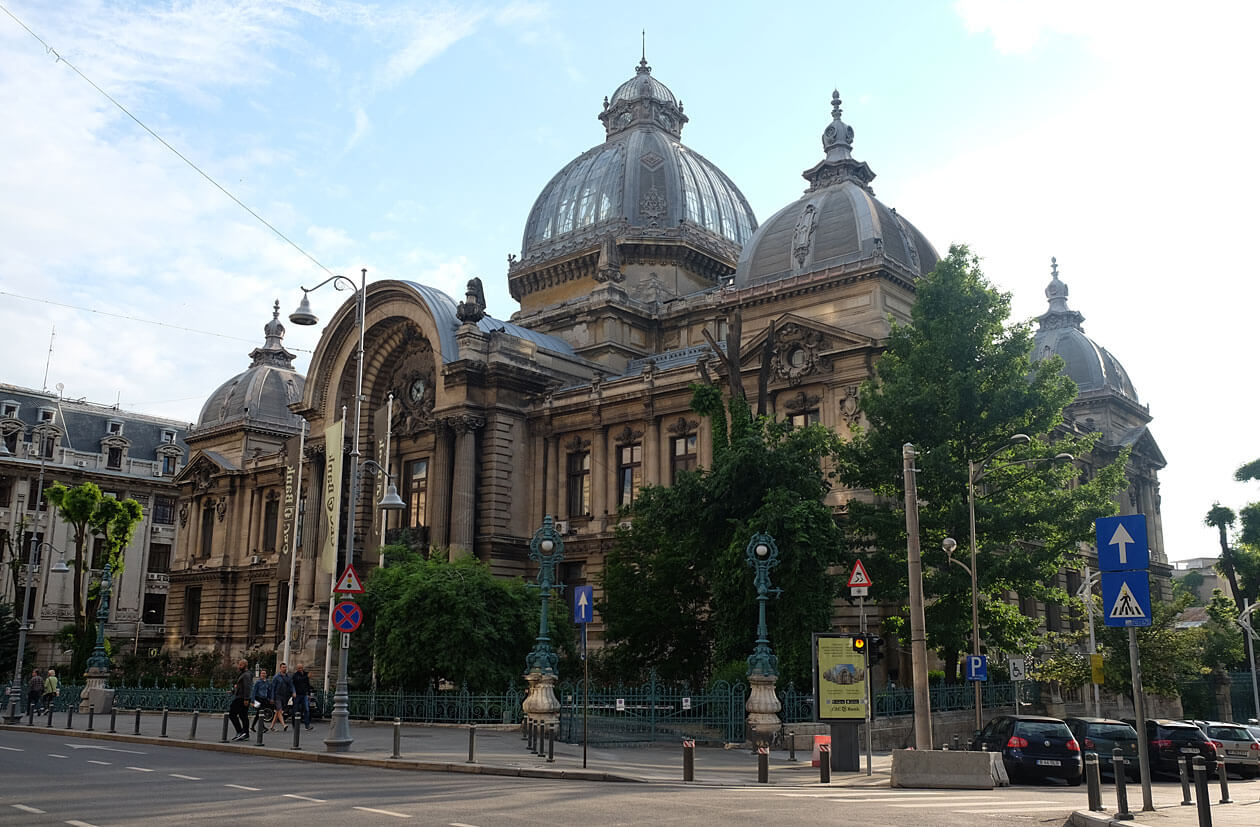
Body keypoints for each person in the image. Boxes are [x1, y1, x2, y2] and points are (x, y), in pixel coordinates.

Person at [229, 660, 251, 741]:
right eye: (239, 665)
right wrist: (233, 691)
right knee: (243, 716)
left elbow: (247, 687)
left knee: (232, 714)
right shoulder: (243, 674)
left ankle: (240, 731)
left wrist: (246, 699)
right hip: (241, 697)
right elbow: (241, 687)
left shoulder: (246, 675)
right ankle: (245, 733)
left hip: (241, 698)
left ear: (245, 665)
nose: (239, 666)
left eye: (241, 665)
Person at [269, 663, 294, 732]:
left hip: (284, 696)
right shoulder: (276, 677)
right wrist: (272, 698)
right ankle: (284, 725)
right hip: (277, 696)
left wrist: (293, 692)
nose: (285, 668)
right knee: (279, 710)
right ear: (280, 668)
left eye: (285, 667)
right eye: (283, 667)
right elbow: (273, 688)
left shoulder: (288, 677)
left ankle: (271, 726)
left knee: (277, 712)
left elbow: (291, 685)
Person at [291, 663, 313, 731]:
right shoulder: (295, 675)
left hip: (304, 694)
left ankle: (307, 725)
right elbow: (298, 680)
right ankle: (294, 725)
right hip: (297, 694)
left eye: (301, 668)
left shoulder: (305, 674)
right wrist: (307, 677)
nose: (300, 669)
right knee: (295, 710)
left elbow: (307, 684)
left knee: (306, 709)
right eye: (299, 668)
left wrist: (309, 694)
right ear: (297, 669)